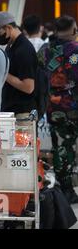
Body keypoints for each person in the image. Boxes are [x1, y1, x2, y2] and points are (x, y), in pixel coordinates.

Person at [37, 15, 78, 204]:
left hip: (53, 107)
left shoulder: (45, 50)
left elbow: (38, 76)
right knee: (67, 147)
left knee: (61, 147)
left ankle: (65, 189)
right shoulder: (75, 50)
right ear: (73, 30)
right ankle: (68, 190)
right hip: (73, 106)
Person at [0, 11, 37, 118]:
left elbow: (28, 87)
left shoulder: (24, 49)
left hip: (22, 113)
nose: (0, 37)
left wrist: (3, 73)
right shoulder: (11, 46)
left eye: (0, 33)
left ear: (8, 28)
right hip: (12, 110)